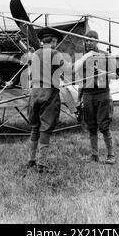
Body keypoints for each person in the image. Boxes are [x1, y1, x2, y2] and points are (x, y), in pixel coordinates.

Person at [27, 28, 97, 173]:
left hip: (34, 94)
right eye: (56, 42)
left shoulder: (34, 54)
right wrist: (86, 56)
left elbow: (30, 74)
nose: (56, 44)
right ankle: (42, 164)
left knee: (35, 127)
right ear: (53, 41)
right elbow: (71, 69)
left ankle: (31, 160)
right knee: (45, 128)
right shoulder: (54, 53)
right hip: (49, 94)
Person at [77, 30, 118, 165]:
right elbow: (81, 81)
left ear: (98, 40)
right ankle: (94, 155)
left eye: (92, 40)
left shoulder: (106, 56)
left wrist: (104, 72)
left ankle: (110, 155)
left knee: (104, 126)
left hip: (103, 94)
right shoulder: (83, 58)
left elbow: (116, 75)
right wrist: (78, 100)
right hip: (88, 95)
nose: (89, 42)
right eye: (87, 40)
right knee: (91, 126)